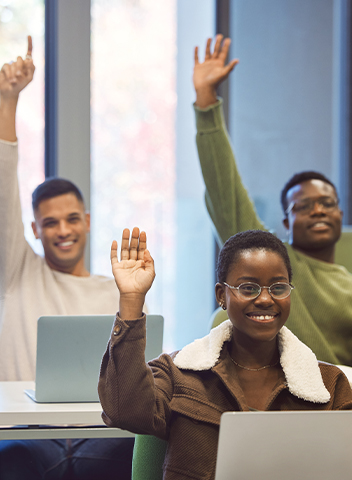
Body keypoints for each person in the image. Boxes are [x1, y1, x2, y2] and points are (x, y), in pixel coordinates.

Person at [0, 37, 132, 479]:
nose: (63, 230)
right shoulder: (18, 272)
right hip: (22, 431)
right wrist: (8, 101)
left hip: (98, 434)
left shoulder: (116, 290)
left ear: (86, 221)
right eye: (50, 223)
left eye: (72, 219)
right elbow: (0, 196)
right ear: (34, 230)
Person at [99, 227, 352, 479]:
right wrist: (132, 301)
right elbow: (124, 410)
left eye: (278, 287)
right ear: (222, 295)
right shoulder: (178, 372)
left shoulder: (328, 386)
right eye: (248, 288)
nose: (265, 299)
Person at [193, 35, 352, 367]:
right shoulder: (275, 271)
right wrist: (207, 104)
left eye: (326, 202)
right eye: (303, 206)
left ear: (340, 212)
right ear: (286, 223)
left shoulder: (346, 283)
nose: (318, 209)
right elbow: (227, 194)